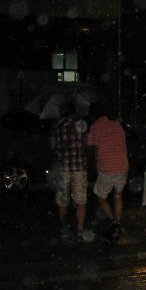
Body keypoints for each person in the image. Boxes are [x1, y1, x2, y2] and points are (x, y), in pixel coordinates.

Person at [87, 103, 129, 240]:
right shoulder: (117, 125)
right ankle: (118, 220)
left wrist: (95, 164)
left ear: (93, 115)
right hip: (122, 165)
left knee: (100, 196)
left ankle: (112, 219)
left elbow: (94, 149)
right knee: (118, 195)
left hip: (107, 167)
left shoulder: (95, 127)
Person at [51, 102, 92, 241]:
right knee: (80, 200)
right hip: (79, 167)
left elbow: (54, 148)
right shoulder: (80, 124)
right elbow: (86, 145)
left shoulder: (57, 126)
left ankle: (64, 229)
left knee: (62, 201)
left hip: (63, 169)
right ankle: (80, 231)